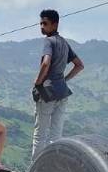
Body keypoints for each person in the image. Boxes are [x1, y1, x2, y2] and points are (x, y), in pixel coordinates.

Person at [31, 9, 84, 157]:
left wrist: (38, 82)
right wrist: (64, 79)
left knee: (39, 135)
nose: (42, 26)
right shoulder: (64, 43)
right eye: (40, 23)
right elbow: (79, 65)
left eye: (45, 23)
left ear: (55, 25)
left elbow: (46, 63)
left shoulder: (48, 41)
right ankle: (51, 170)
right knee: (55, 136)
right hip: (62, 93)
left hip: (47, 93)